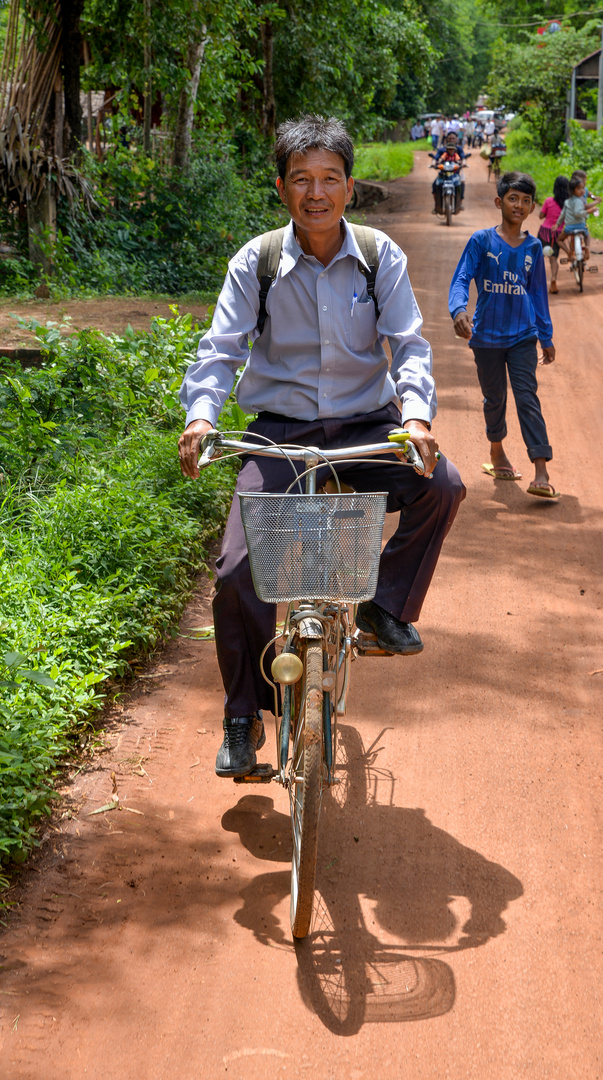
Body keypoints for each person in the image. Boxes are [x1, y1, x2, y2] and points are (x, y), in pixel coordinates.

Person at [178, 115, 466, 778]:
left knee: (443, 485)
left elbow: (410, 346)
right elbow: (220, 352)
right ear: (281, 188)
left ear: (349, 185)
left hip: (369, 424)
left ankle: (381, 603)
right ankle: (243, 714)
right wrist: (200, 417)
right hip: (278, 430)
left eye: (329, 179)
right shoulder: (258, 261)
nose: (316, 192)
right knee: (232, 572)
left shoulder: (376, 254)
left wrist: (416, 419)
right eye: (301, 180)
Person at [448, 171, 559, 500]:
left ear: (532, 207)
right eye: (513, 198)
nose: (519, 205)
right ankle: (497, 450)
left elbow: (538, 294)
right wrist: (459, 311)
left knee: (528, 398)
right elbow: (461, 279)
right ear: (499, 201)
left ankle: (541, 469)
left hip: (523, 336)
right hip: (485, 338)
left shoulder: (535, 247)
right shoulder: (481, 241)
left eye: (526, 201)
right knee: (494, 399)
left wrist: (546, 336)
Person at [556, 175, 602, 262]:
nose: (582, 190)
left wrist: (557, 224)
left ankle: (568, 251)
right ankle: (587, 247)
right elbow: (577, 214)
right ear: (573, 191)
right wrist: (589, 211)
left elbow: (562, 214)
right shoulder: (579, 201)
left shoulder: (567, 201)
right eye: (579, 188)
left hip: (569, 227)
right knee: (587, 235)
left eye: (583, 188)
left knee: (559, 240)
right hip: (581, 226)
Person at [537, 175, 570, 294]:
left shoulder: (549, 201)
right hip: (558, 234)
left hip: (545, 231)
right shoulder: (568, 204)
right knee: (553, 258)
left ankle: (534, 281)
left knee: (538, 256)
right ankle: (553, 279)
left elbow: (541, 216)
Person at [431, 131, 466, 213]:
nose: (451, 140)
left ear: (456, 139)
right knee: (435, 184)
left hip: (456, 173)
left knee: (462, 182)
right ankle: (437, 205)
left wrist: (463, 163)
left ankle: (459, 203)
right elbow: (436, 158)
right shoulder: (442, 150)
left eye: (453, 138)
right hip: (443, 173)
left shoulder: (458, 149)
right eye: (450, 138)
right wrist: (434, 163)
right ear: (447, 139)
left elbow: (463, 158)